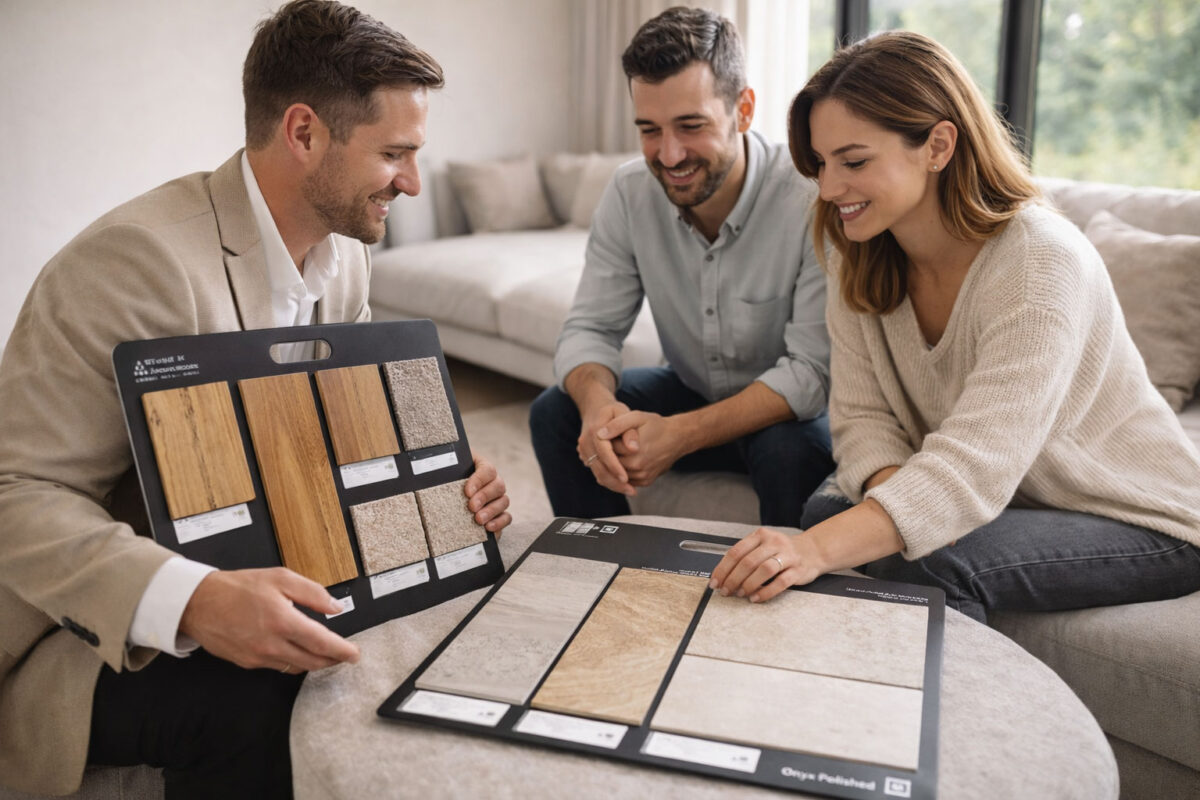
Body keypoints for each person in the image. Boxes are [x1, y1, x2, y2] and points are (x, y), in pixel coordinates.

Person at [0, 2, 511, 797]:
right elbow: (17, 493)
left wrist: (438, 470)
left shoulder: (345, 256)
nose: (413, 182)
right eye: (394, 154)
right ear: (303, 133)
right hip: (72, 633)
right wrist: (195, 600)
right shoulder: (134, 264)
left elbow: (334, 425)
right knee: (260, 696)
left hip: (266, 557)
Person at [710, 31, 1200, 620]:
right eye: (821, 163)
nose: (830, 188)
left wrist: (832, 545)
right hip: (1007, 497)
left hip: (1137, 515)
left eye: (854, 161)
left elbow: (976, 464)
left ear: (938, 146)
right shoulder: (856, 252)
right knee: (832, 516)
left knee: (925, 560)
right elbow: (863, 419)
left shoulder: (1040, 262)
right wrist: (899, 506)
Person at [529, 6, 833, 527]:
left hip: (786, 414)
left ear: (743, 110)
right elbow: (590, 329)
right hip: (693, 388)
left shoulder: (810, 198)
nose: (669, 156)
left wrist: (681, 435)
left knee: (791, 451)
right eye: (649, 130)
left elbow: (810, 373)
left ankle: (784, 579)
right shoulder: (629, 192)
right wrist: (597, 407)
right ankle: (600, 561)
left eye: (691, 126)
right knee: (555, 412)